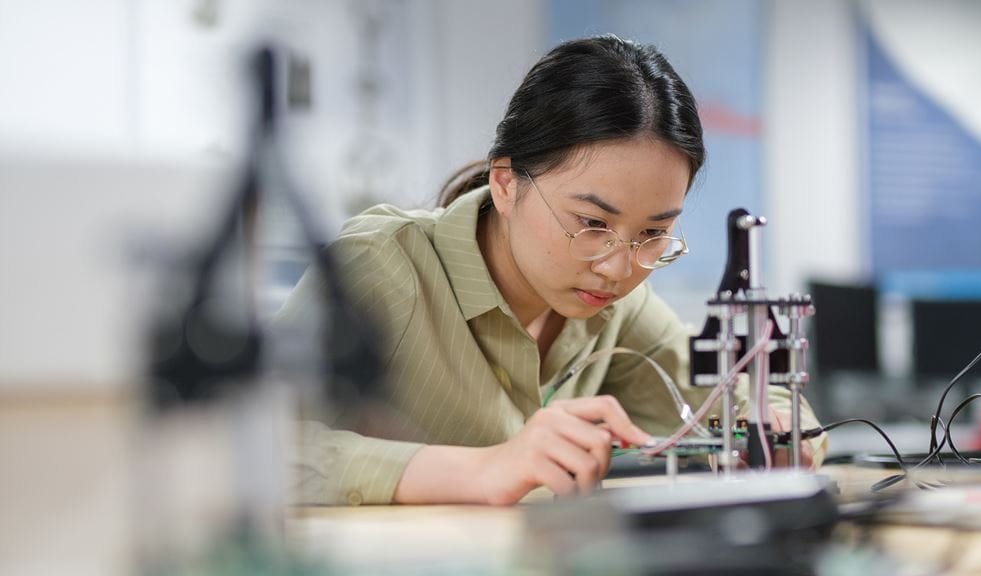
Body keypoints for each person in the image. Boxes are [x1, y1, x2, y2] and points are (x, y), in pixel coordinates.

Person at [280, 35, 827, 506]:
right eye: (591, 221)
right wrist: (484, 470)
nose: (617, 267)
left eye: (653, 233)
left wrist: (778, 435)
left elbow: (753, 398)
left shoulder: (616, 310)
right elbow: (247, 448)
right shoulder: (382, 266)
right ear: (506, 183)